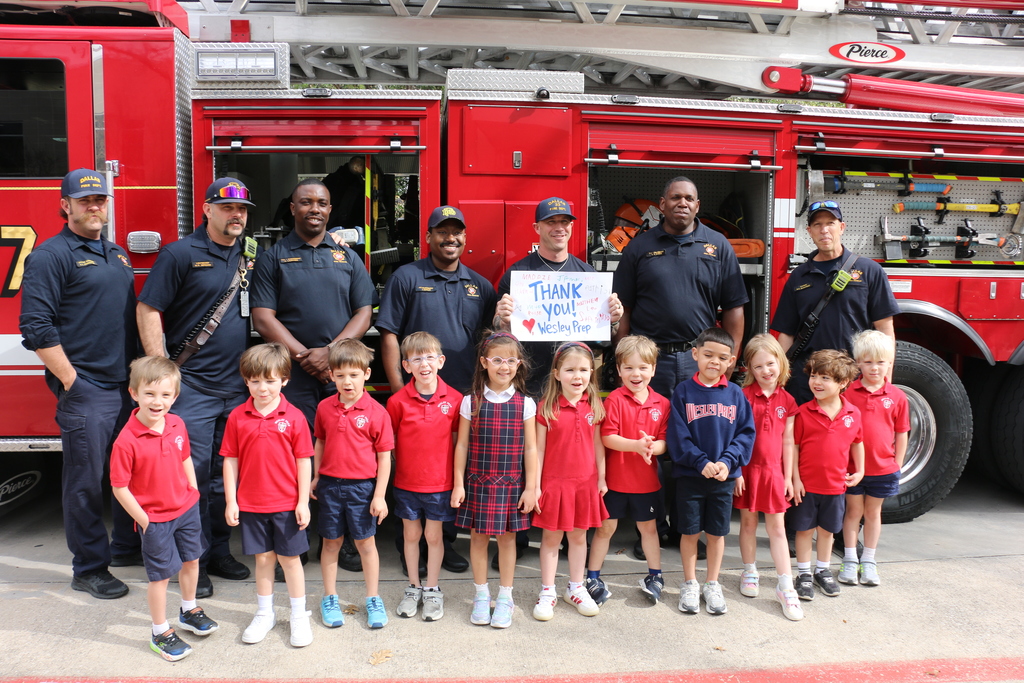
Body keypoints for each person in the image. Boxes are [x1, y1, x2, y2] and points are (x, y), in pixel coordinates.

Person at [19, 168, 139, 599]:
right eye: (85, 200)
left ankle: (126, 547)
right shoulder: (51, 256)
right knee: (86, 482)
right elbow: (35, 326)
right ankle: (89, 567)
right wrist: (72, 381)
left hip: (126, 388)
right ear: (66, 205)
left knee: (128, 474)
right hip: (88, 389)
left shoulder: (117, 253)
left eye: (100, 200)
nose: (94, 207)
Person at [137, 177, 257, 597]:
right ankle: (195, 562)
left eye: (242, 209)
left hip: (237, 392)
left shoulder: (249, 253)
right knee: (192, 480)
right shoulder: (180, 253)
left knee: (226, 479)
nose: (236, 215)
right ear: (206, 209)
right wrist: (164, 376)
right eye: (227, 208)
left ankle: (220, 552)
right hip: (193, 390)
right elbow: (149, 309)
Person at [376, 204, 496, 573]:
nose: (451, 238)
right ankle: (407, 542)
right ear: (428, 237)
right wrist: (400, 390)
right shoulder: (407, 277)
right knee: (411, 470)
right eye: (442, 231)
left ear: (465, 237)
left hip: (460, 400)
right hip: (415, 397)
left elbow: (490, 340)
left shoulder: (481, 286)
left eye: (457, 231)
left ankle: (445, 543)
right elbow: (390, 333)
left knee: (450, 471)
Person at [110, 357, 218, 661]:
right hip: (155, 519)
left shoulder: (177, 423)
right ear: (134, 393)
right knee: (160, 576)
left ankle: (188, 609)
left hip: (186, 509)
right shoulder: (126, 441)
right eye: (150, 394)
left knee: (192, 561)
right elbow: (120, 487)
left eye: (165, 395)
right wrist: (145, 520)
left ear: (175, 396)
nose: (158, 402)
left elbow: (185, 457)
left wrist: (193, 492)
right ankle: (160, 631)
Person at [251, 178, 375, 429]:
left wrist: (330, 354)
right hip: (291, 375)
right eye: (306, 202)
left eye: (322, 203)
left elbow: (364, 312)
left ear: (330, 210)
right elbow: (263, 318)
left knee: (344, 445)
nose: (314, 209)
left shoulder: (349, 258)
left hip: (340, 373)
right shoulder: (272, 258)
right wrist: (306, 359)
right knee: (297, 448)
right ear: (293, 208)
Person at [612, 177, 748, 398]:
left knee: (699, 429)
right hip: (648, 361)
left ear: (697, 206)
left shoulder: (718, 245)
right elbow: (623, 308)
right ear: (663, 204)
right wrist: (624, 359)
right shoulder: (639, 247)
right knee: (649, 430)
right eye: (676, 197)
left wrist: (728, 359)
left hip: (699, 359)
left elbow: (734, 307)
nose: (682, 203)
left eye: (689, 198)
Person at [221, 343, 314, 647]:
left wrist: (302, 501)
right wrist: (232, 500)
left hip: (286, 504)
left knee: (290, 560)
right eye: (256, 380)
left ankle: (299, 616)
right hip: (252, 503)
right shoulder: (237, 417)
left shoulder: (295, 417)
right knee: (262, 559)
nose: (263, 388)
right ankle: (265, 613)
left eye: (271, 380)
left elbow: (304, 461)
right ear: (246, 380)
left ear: (285, 380)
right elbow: (230, 460)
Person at [771, 200, 901, 404]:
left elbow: (885, 328)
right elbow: (786, 333)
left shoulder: (869, 271)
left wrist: (886, 379)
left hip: (853, 377)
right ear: (809, 231)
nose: (824, 230)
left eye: (830, 223)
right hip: (808, 379)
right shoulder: (798, 276)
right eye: (817, 225)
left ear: (841, 227)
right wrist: (779, 377)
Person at [451, 332, 538, 629]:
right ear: (485, 362)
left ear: (519, 364)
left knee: (507, 539)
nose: (505, 366)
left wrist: (531, 487)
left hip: (511, 484)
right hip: (477, 481)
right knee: (476, 538)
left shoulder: (526, 403)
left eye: (511, 360)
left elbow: (531, 448)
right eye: (498, 360)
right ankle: (480, 594)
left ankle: (505, 597)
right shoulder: (469, 402)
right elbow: (461, 445)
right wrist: (459, 483)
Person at [494, 197, 624, 396]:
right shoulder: (517, 275)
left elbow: (602, 340)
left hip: (574, 386)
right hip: (529, 384)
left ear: (571, 226)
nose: (559, 227)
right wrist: (501, 320)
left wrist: (613, 320)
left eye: (564, 221)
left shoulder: (588, 276)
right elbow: (500, 336)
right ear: (537, 227)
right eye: (551, 222)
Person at [667, 327, 755, 616]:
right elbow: (678, 436)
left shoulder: (735, 394)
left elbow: (745, 434)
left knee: (717, 533)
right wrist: (699, 461)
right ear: (695, 354)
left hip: (722, 478)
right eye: (708, 355)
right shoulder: (683, 392)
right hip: (691, 477)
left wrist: (728, 462)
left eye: (721, 357)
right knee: (690, 532)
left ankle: (712, 583)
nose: (714, 362)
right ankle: (690, 582)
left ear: (731, 361)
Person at [312, 340, 394, 630]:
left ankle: (373, 597)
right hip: (331, 486)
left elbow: (384, 458)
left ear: (367, 374)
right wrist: (316, 476)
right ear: (331, 375)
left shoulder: (377, 412)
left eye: (354, 374)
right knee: (331, 542)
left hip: (362, 489)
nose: (348, 381)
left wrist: (380, 495)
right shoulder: (324, 408)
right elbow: (320, 441)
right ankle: (330, 597)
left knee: (365, 543)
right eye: (341, 375)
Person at [585, 335, 669, 605]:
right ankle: (593, 576)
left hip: (647, 484)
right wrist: (636, 445)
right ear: (619, 370)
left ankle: (655, 576)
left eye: (643, 367)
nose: (636, 374)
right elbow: (607, 437)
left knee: (649, 529)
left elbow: (664, 443)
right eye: (629, 368)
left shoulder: (662, 404)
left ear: (653, 369)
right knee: (605, 529)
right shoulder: (615, 401)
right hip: (615, 482)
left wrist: (651, 448)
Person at [386, 332, 462, 622]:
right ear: (406, 366)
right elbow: (389, 444)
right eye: (416, 358)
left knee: (433, 535)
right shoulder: (397, 402)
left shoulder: (454, 400)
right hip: (406, 483)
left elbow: (459, 444)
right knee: (411, 535)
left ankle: (432, 588)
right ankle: (413, 587)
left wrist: (457, 483)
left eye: (430, 357)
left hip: (440, 484)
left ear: (441, 361)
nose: (424, 364)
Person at [531, 342, 608, 621]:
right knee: (551, 538)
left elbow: (599, 445)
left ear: (592, 372)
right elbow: (537, 450)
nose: (578, 376)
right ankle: (548, 590)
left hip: (585, 484)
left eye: (584, 370)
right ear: (557, 373)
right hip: (554, 483)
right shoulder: (546, 407)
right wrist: (536, 484)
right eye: (570, 370)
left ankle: (576, 587)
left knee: (578, 537)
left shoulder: (595, 405)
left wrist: (601, 477)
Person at [733, 334, 803, 621]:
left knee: (777, 528)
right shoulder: (741, 396)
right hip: (748, 470)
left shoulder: (787, 400)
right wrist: (736, 470)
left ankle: (785, 585)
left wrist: (788, 477)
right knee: (748, 522)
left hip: (773, 472)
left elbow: (789, 441)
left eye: (770, 363)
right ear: (749, 368)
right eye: (758, 366)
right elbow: (733, 436)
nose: (766, 371)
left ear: (781, 362)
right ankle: (749, 570)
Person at [790, 349, 865, 602]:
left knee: (827, 532)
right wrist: (796, 479)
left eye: (825, 378)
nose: (816, 382)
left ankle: (822, 570)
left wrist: (861, 470)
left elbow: (858, 442)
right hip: (807, 486)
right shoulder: (803, 413)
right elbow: (795, 447)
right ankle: (802, 574)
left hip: (835, 487)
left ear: (843, 383)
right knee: (803, 530)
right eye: (813, 375)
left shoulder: (853, 414)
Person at [839, 330, 909, 588]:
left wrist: (898, 464)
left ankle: (868, 560)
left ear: (890, 363)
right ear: (858, 363)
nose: (874, 368)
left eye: (881, 362)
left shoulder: (898, 397)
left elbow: (902, 433)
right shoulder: (848, 393)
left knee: (872, 513)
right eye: (868, 362)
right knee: (852, 512)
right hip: (852, 468)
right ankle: (849, 558)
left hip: (883, 468)